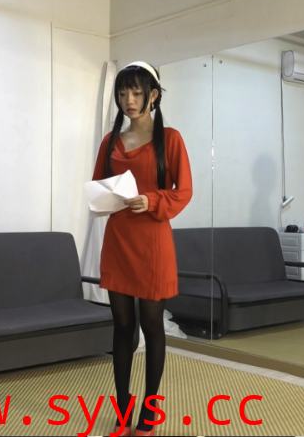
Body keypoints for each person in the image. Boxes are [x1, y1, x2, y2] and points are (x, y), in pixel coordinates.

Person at [92, 61, 193, 436]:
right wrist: (107, 198)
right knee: (122, 326)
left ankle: (149, 413)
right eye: (122, 93)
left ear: (153, 95)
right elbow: (98, 190)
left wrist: (152, 200)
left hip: (153, 242)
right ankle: (122, 411)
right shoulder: (110, 141)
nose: (128, 100)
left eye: (136, 92)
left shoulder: (171, 139)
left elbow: (184, 191)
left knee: (152, 326)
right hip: (118, 241)